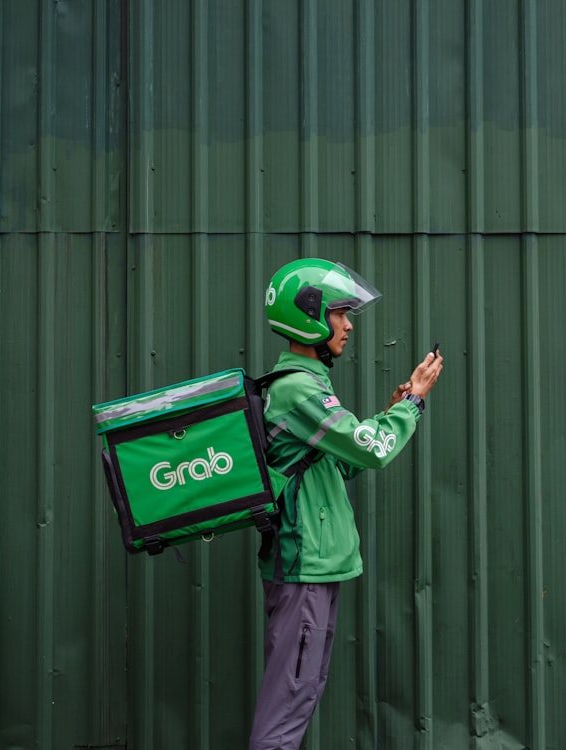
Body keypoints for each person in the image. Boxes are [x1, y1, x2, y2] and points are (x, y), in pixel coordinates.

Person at [249, 258, 443, 750]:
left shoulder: (308, 385)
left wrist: (389, 411)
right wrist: (412, 403)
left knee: (302, 691)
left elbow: (338, 464)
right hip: (304, 566)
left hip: (318, 566)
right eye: (339, 313)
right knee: (288, 703)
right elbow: (371, 450)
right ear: (309, 315)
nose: (349, 325)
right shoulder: (297, 389)